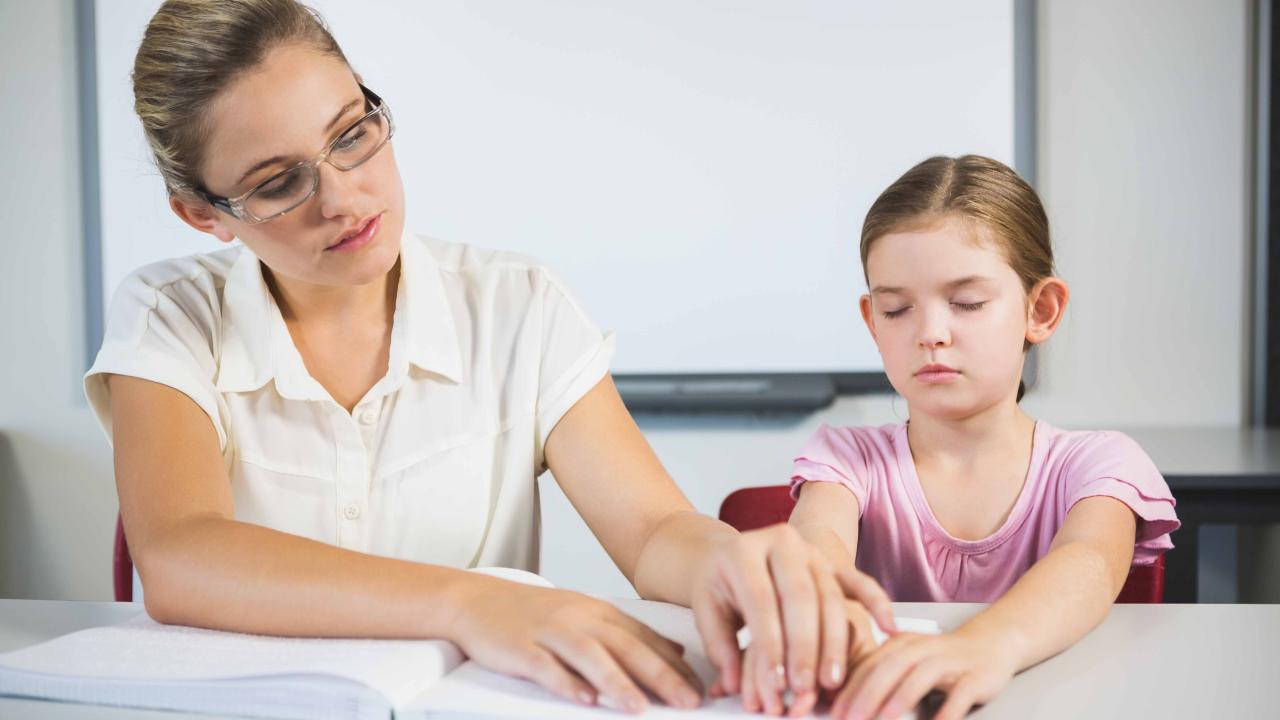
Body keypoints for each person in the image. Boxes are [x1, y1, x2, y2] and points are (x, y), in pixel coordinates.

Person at [84, 0, 893, 713]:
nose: (343, 197)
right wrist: (474, 603)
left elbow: (651, 534)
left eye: (352, 135)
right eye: (278, 182)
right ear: (202, 215)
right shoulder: (171, 316)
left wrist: (739, 564)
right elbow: (182, 555)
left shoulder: (518, 306)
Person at [741, 155, 1179, 718]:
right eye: (896, 310)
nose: (929, 334)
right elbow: (817, 547)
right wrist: (824, 603)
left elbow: (1088, 561)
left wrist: (981, 648)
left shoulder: (1100, 464)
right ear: (872, 322)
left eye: (967, 303)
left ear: (1040, 310)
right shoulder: (846, 459)